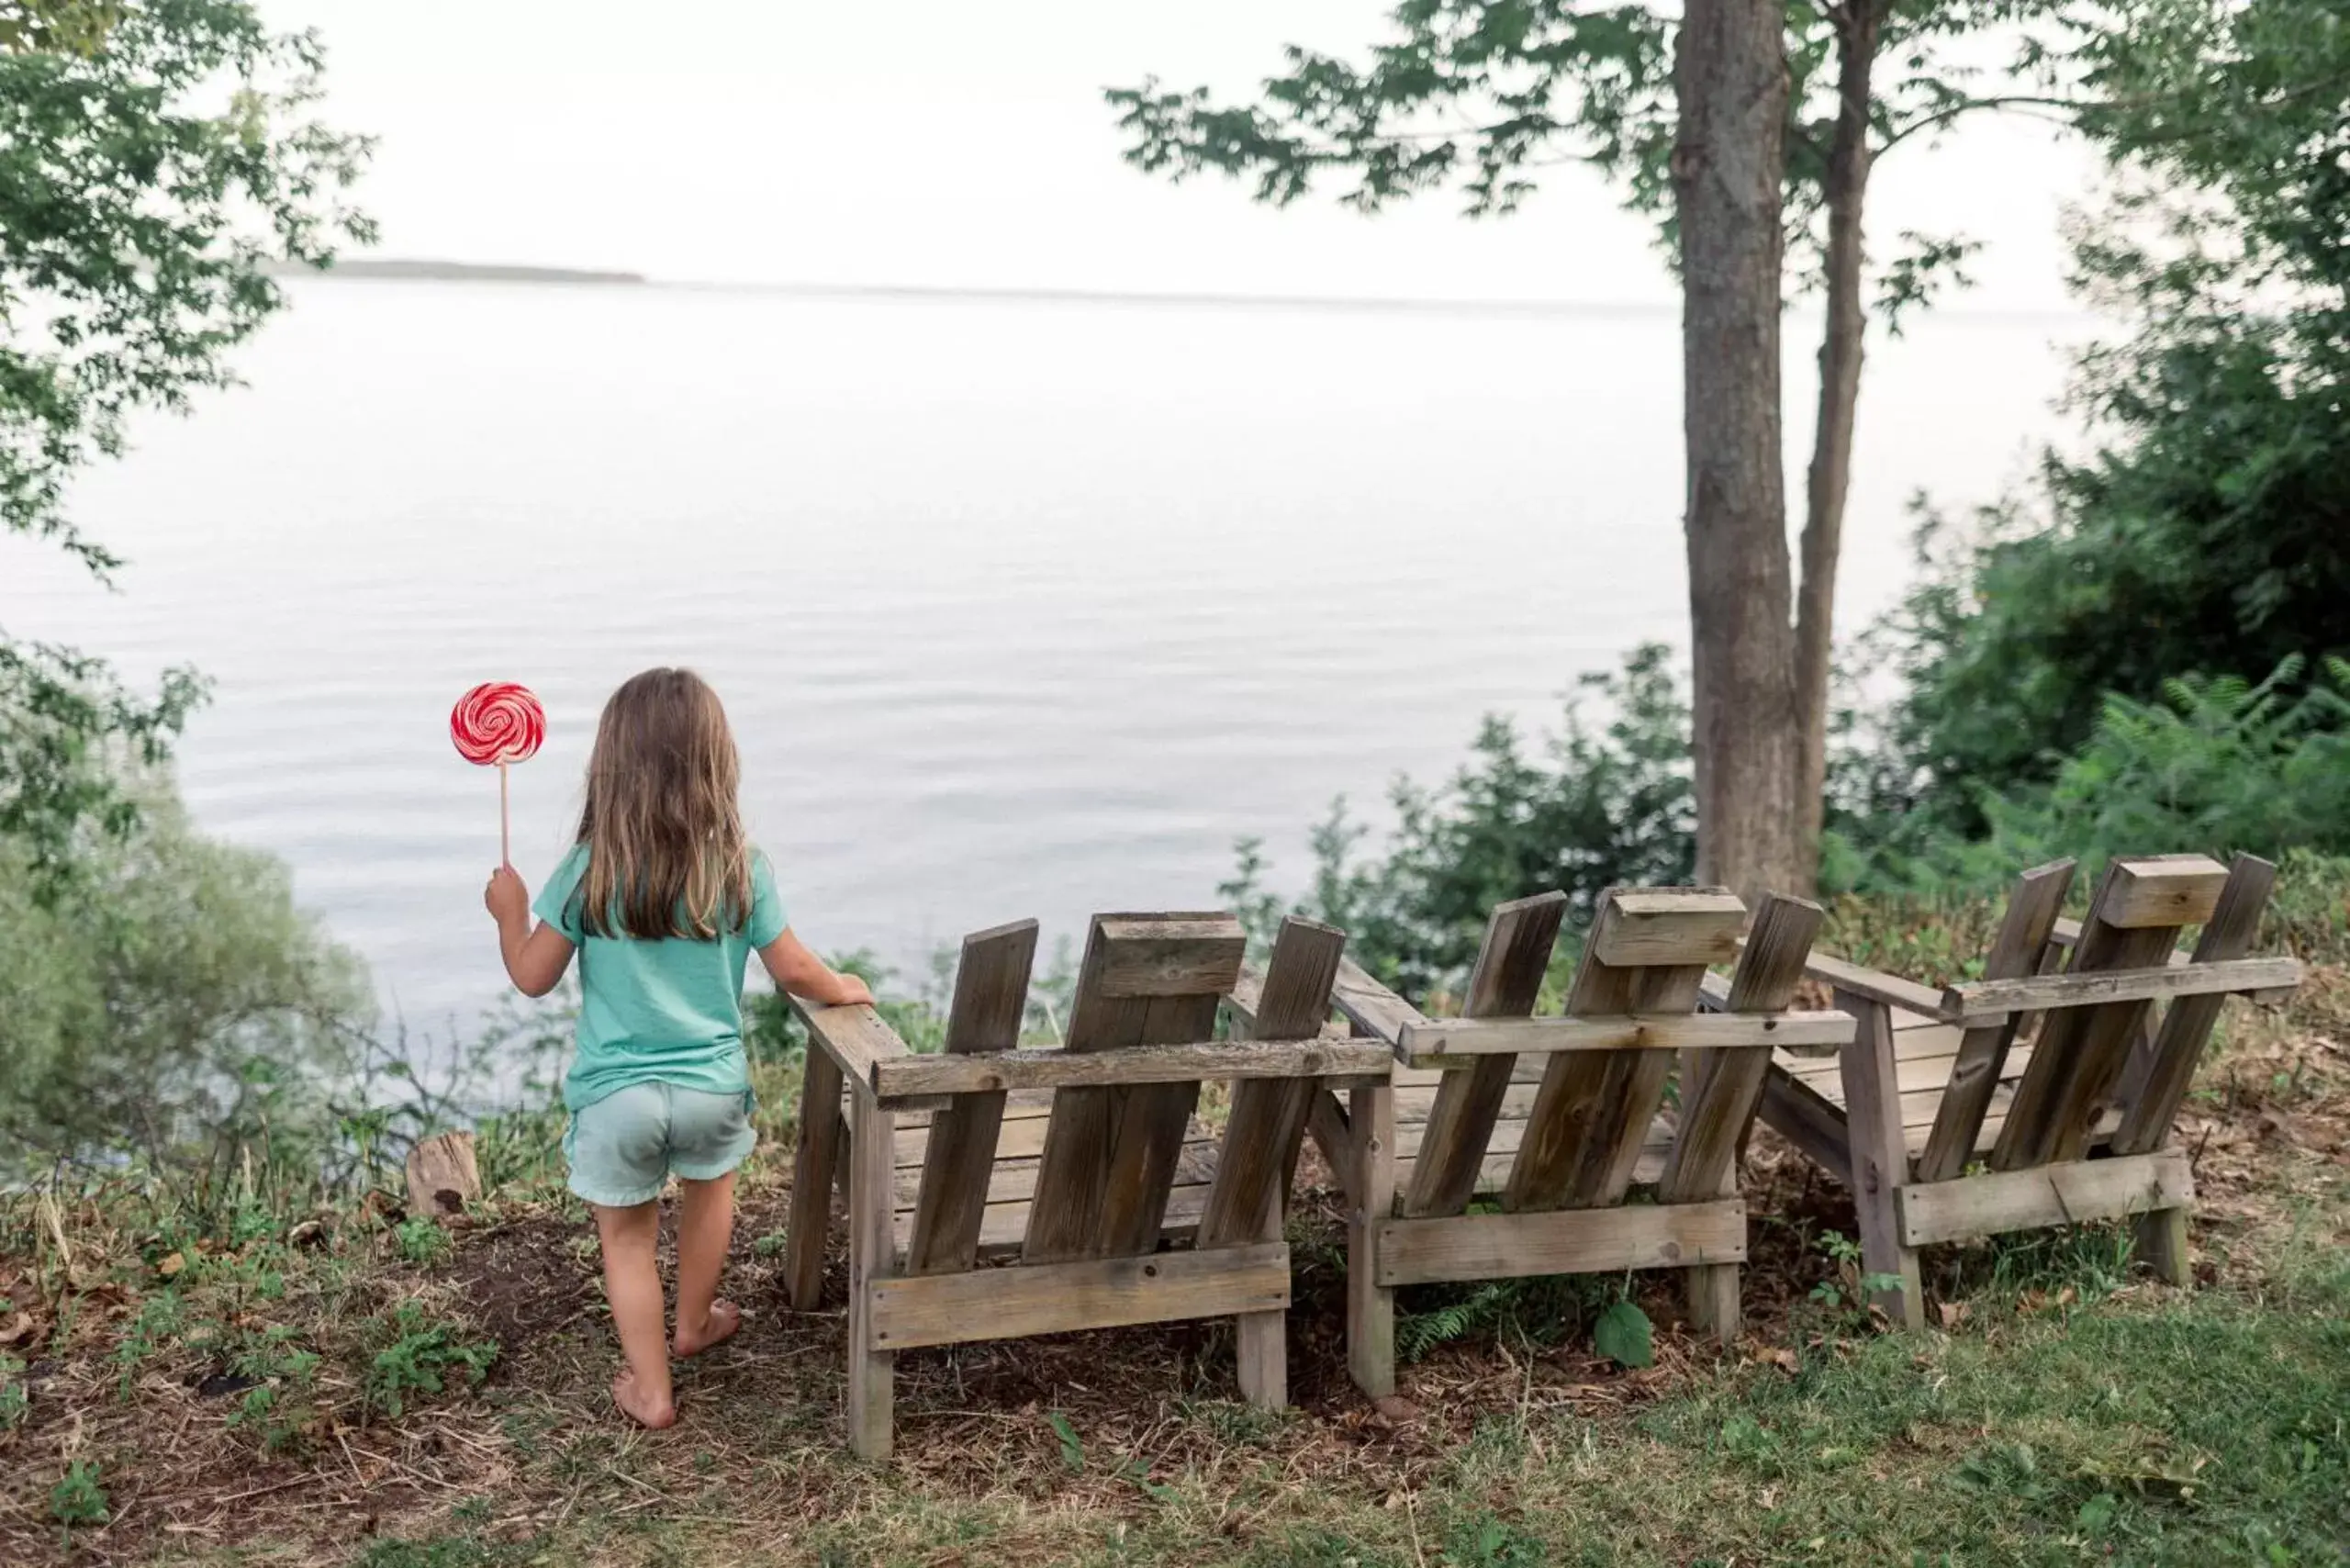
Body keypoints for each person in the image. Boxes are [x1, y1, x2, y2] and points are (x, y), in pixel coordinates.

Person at [482, 666, 872, 1428]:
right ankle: (694, 1324)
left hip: (617, 1096)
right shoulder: (738, 866)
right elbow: (793, 968)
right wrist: (842, 985)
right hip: (710, 1089)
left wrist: (509, 914)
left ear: (611, 766)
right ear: (714, 762)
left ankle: (653, 1391)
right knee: (711, 1197)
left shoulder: (587, 868)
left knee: (627, 1242)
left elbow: (532, 976)